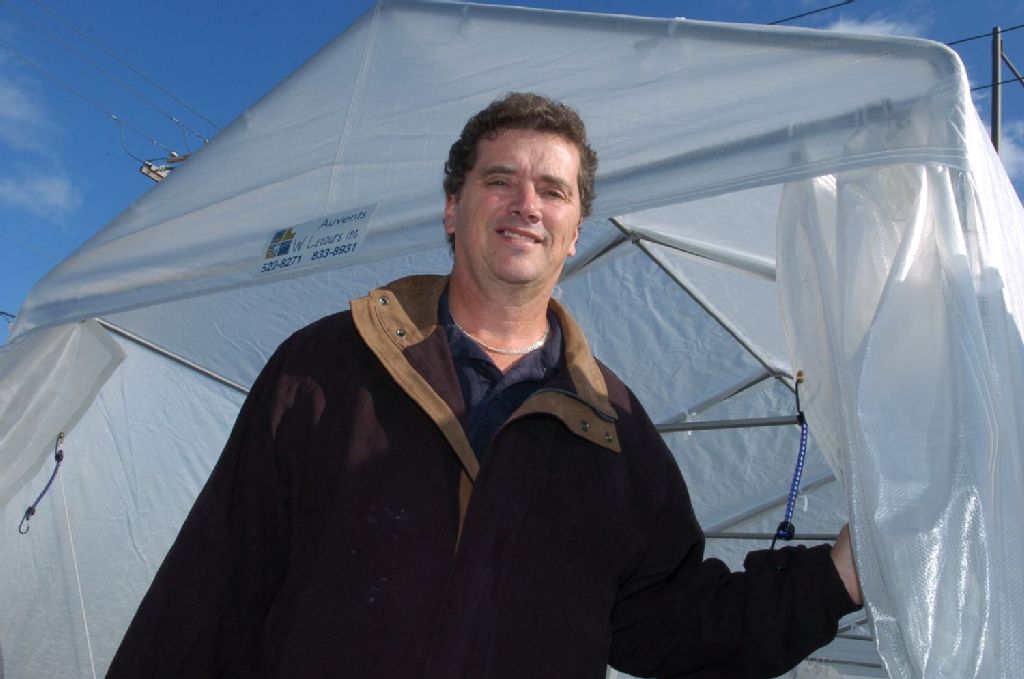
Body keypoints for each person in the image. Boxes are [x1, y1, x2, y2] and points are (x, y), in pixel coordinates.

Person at [107, 92, 861, 679]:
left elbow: (672, 621)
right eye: (500, 180)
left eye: (553, 191)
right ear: (452, 208)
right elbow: (207, 592)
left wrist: (838, 577)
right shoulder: (326, 367)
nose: (526, 204)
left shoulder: (614, 428)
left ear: (574, 231)